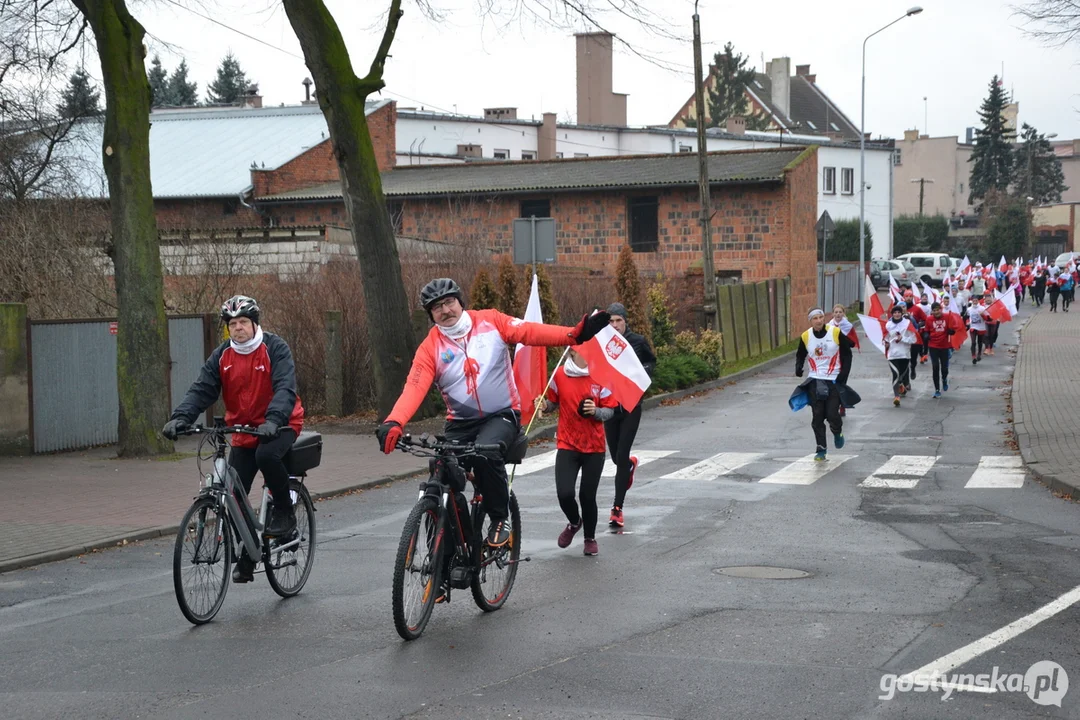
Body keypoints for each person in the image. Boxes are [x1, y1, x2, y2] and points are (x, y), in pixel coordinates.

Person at [376, 278, 610, 548]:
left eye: (449, 302)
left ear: (460, 302)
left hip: (501, 415)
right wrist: (395, 421)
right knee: (439, 476)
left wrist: (574, 335)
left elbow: (530, 332)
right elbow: (415, 386)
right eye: (437, 307)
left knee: (485, 451)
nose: (445, 310)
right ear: (431, 315)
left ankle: (500, 517)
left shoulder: (491, 322)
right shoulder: (430, 347)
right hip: (460, 422)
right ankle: (440, 570)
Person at [162, 295, 304, 583]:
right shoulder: (223, 355)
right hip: (242, 429)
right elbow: (202, 389)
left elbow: (285, 388)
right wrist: (181, 418)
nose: (238, 328)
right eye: (233, 324)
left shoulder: (274, 348)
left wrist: (274, 419)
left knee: (266, 456)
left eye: (243, 322)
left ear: (254, 324)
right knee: (232, 493)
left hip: (282, 424)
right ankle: (249, 556)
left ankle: (284, 513)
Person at [543, 348, 619, 556]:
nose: (588, 354)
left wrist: (595, 412)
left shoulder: (601, 374)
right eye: (583, 350)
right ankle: (575, 522)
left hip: (593, 446)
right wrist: (543, 406)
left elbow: (609, 411)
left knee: (587, 496)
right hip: (568, 443)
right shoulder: (559, 374)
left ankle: (589, 538)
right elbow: (552, 402)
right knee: (564, 493)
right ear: (571, 353)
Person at [602, 302, 656, 529]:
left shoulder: (638, 341)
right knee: (616, 458)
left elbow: (651, 362)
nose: (615, 325)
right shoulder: (604, 344)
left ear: (626, 322)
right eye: (612, 321)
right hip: (610, 408)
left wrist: (641, 375)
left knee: (622, 453)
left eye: (619, 321)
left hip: (631, 407)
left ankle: (617, 508)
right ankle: (629, 466)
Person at [792, 308, 857, 462]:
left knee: (832, 414)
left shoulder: (835, 332)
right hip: (815, 380)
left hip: (833, 380)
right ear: (810, 321)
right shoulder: (806, 336)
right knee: (817, 417)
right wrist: (798, 367)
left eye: (821, 317)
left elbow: (847, 353)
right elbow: (800, 353)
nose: (819, 320)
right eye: (815, 318)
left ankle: (837, 432)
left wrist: (843, 375)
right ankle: (821, 449)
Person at [923, 302, 960, 398]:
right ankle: (937, 389)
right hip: (933, 346)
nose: (936, 312)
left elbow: (953, 328)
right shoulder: (929, 319)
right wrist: (926, 335)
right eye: (934, 310)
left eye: (938, 310)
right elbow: (926, 330)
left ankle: (944, 379)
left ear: (941, 309)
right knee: (935, 367)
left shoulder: (947, 316)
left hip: (944, 346)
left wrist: (951, 331)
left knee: (944, 368)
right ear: (932, 311)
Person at [885, 304, 917, 407]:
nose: (897, 314)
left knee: (901, 375)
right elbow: (885, 337)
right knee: (896, 374)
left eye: (899, 312)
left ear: (901, 313)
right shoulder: (888, 325)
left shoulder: (907, 323)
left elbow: (914, 339)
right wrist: (886, 343)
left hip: (904, 354)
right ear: (892, 314)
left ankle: (901, 386)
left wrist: (902, 339)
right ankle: (896, 397)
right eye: (895, 313)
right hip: (892, 354)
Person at [967, 294, 988, 364]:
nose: (975, 302)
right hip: (973, 327)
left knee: (980, 342)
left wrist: (982, 315)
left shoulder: (982, 308)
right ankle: (973, 356)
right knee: (973, 342)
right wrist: (966, 324)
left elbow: (988, 318)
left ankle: (979, 353)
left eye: (976, 300)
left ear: (978, 301)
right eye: (973, 301)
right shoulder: (969, 309)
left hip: (981, 328)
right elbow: (966, 317)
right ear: (972, 301)